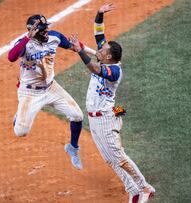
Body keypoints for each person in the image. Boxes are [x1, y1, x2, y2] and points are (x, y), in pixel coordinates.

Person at [69, 4, 155, 203]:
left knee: (120, 157)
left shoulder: (114, 71)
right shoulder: (105, 56)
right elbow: (99, 32)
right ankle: (132, 189)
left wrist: (80, 51)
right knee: (109, 159)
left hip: (106, 118)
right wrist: (99, 13)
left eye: (103, 50)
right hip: (94, 119)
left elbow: (95, 69)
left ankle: (145, 188)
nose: (100, 48)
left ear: (108, 57)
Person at [8, 14, 84, 170]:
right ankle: (19, 115)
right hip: (30, 93)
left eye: (46, 28)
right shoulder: (23, 44)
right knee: (20, 132)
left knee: (77, 116)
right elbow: (11, 57)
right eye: (43, 30)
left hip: (51, 88)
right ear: (33, 31)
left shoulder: (54, 37)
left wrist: (91, 52)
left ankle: (73, 148)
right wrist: (27, 38)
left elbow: (74, 45)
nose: (46, 31)